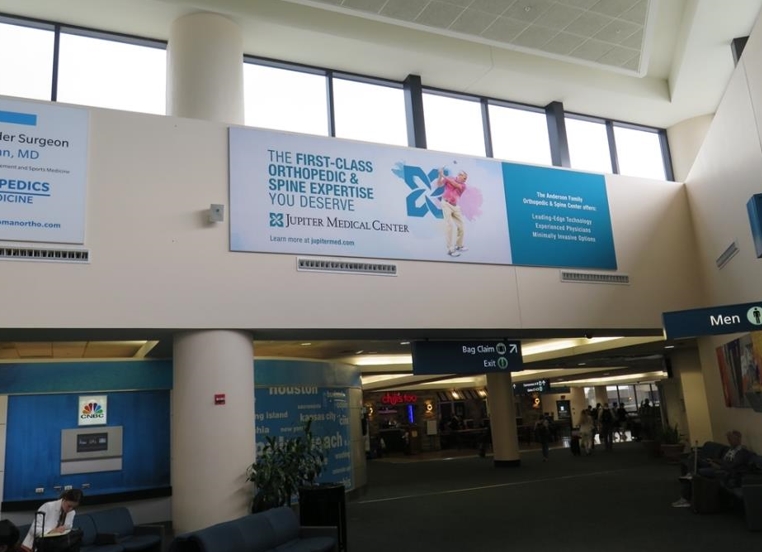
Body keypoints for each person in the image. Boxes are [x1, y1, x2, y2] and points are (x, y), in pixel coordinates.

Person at [672, 430, 753, 507]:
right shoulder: (730, 449)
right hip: (717, 465)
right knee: (694, 458)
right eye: (728, 439)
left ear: (738, 439)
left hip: (722, 471)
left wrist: (717, 466)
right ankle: (690, 474)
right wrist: (713, 460)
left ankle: (685, 497)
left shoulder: (742, 452)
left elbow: (731, 467)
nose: (729, 441)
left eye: (731, 439)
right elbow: (724, 461)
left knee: (696, 474)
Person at [436, 168, 468, 258]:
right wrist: (440, 176)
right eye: (464, 178)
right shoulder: (450, 178)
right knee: (449, 226)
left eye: (466, 178)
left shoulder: (463, 186)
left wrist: (443, 176)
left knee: (461, 226)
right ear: (459, 175)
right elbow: (439, 184)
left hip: (455, 206)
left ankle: (459, 245)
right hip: (446, 204)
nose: (465, 180)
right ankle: (451, 249)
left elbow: (454, 184)